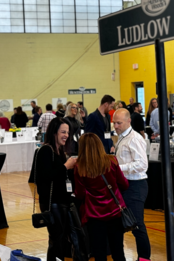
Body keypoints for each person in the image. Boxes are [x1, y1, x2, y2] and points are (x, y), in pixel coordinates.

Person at [74, 133, 129, 261]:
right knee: (118, 252)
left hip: (94, 216)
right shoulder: (112, 161)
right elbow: (124, 184)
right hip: (115, 212)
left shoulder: (80, 167)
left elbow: (80, 194)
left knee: (99, 253)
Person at [35, 117, 79, 261]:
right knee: (56, 239)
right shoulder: (45, 151)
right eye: (63, 132)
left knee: (60, 239)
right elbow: (46, 176)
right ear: (54, 132)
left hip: (62, 201)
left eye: (67, 132)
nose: (66, 135)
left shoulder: (60, 151)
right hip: (52, 203)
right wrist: (66, 166)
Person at [113, 109, 151, 259]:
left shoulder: (134, 138)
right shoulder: (122, 137)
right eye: (114, 123)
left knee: (137, 225)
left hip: (135, 186)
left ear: (128, 121)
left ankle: (144, 258)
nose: (115, 126)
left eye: (119, 123)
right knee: (120, 224)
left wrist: (117, 169)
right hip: (125, 185)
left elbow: (142, 164)